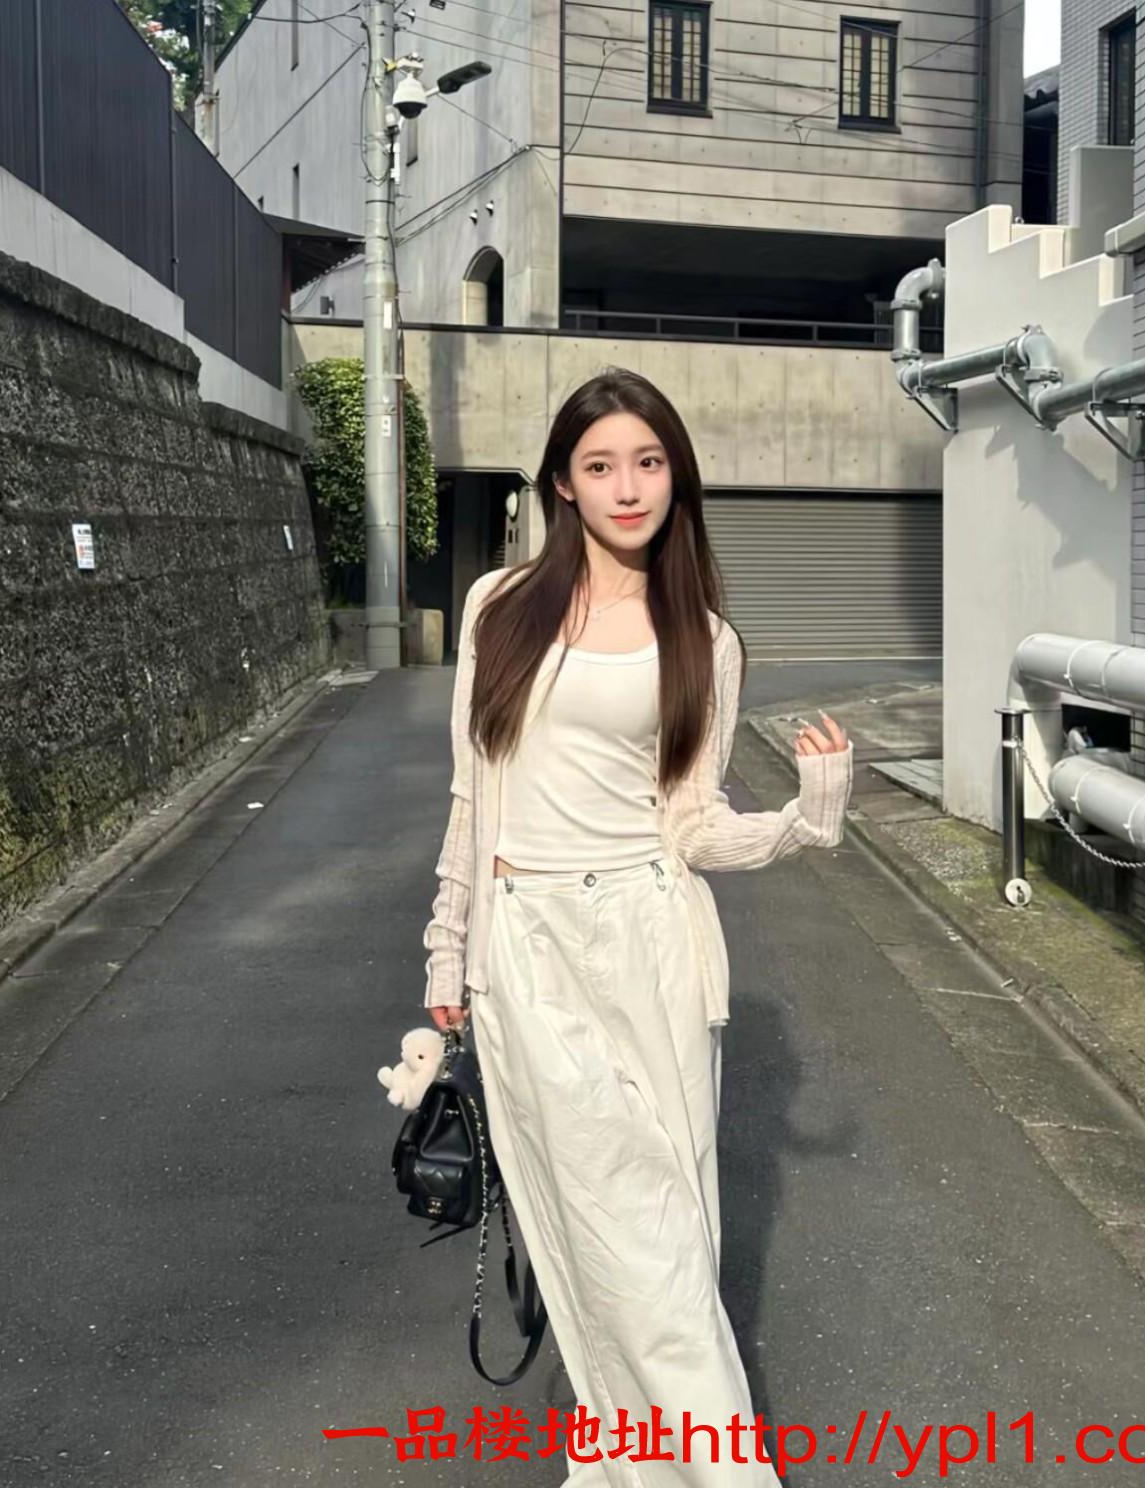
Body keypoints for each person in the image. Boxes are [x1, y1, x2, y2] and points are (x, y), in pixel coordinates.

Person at [421, 367, 854, 1485]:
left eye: (649, 463)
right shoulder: (498, 607)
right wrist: (447, 949)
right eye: (602, 465)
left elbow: (692, 826)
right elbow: (473, 796)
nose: (628, 487)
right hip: (527, 949)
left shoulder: (702, 638)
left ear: (676, 477)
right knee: (612, 1237)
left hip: (650, 943)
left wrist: (803, 823)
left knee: (668, 1242)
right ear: (563, 483)